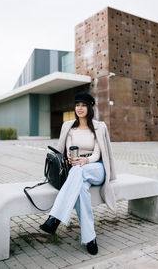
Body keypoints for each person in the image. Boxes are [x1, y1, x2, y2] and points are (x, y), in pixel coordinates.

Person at [40, 92, 117, 255]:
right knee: (81, 190)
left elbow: (97, 154)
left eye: (83, 105)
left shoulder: (98, 127)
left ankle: (54, 218)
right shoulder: (69, 127)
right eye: (77, 105)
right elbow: (68, 150)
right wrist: (70, 157)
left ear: (89, 107)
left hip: (96, 168)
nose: (79, 108)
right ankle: (90, 238)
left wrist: (85, 161)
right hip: (77, 170)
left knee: (78, 170)